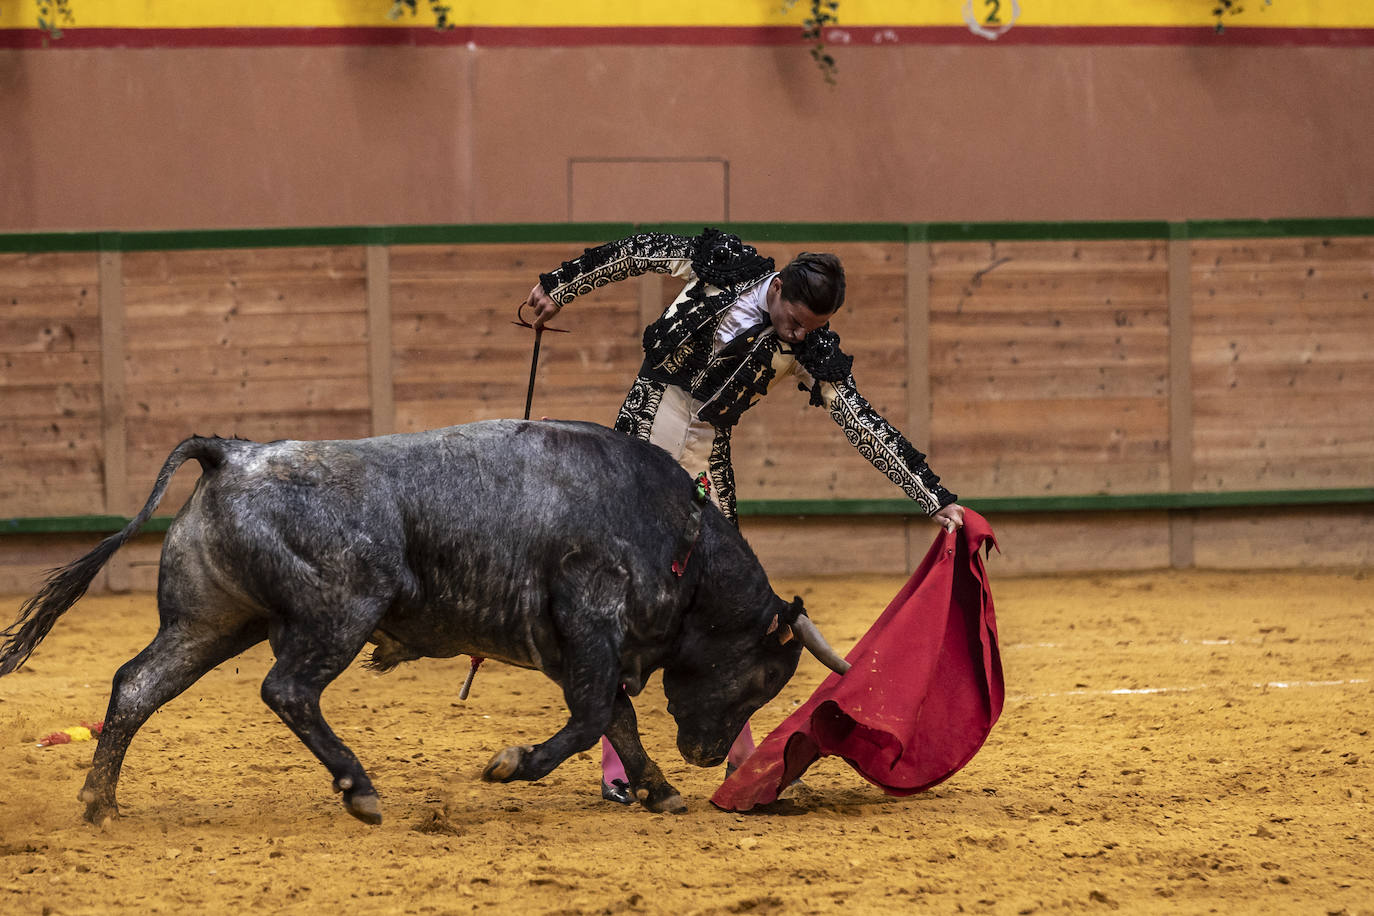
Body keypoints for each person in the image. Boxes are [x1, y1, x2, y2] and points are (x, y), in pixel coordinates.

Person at [524, 227, 964, 804]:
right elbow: (633, 253)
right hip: (639, 438)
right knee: (624, 598)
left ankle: (740, 751)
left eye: (814, 327)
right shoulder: (721, 264)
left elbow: (862, 422)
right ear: (776, 287)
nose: (800, 334)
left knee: (729, 602)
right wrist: (562, 286)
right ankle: (620, 760)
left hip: (706, 456)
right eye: (795, 320)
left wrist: (932, 495)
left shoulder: (810, 350)